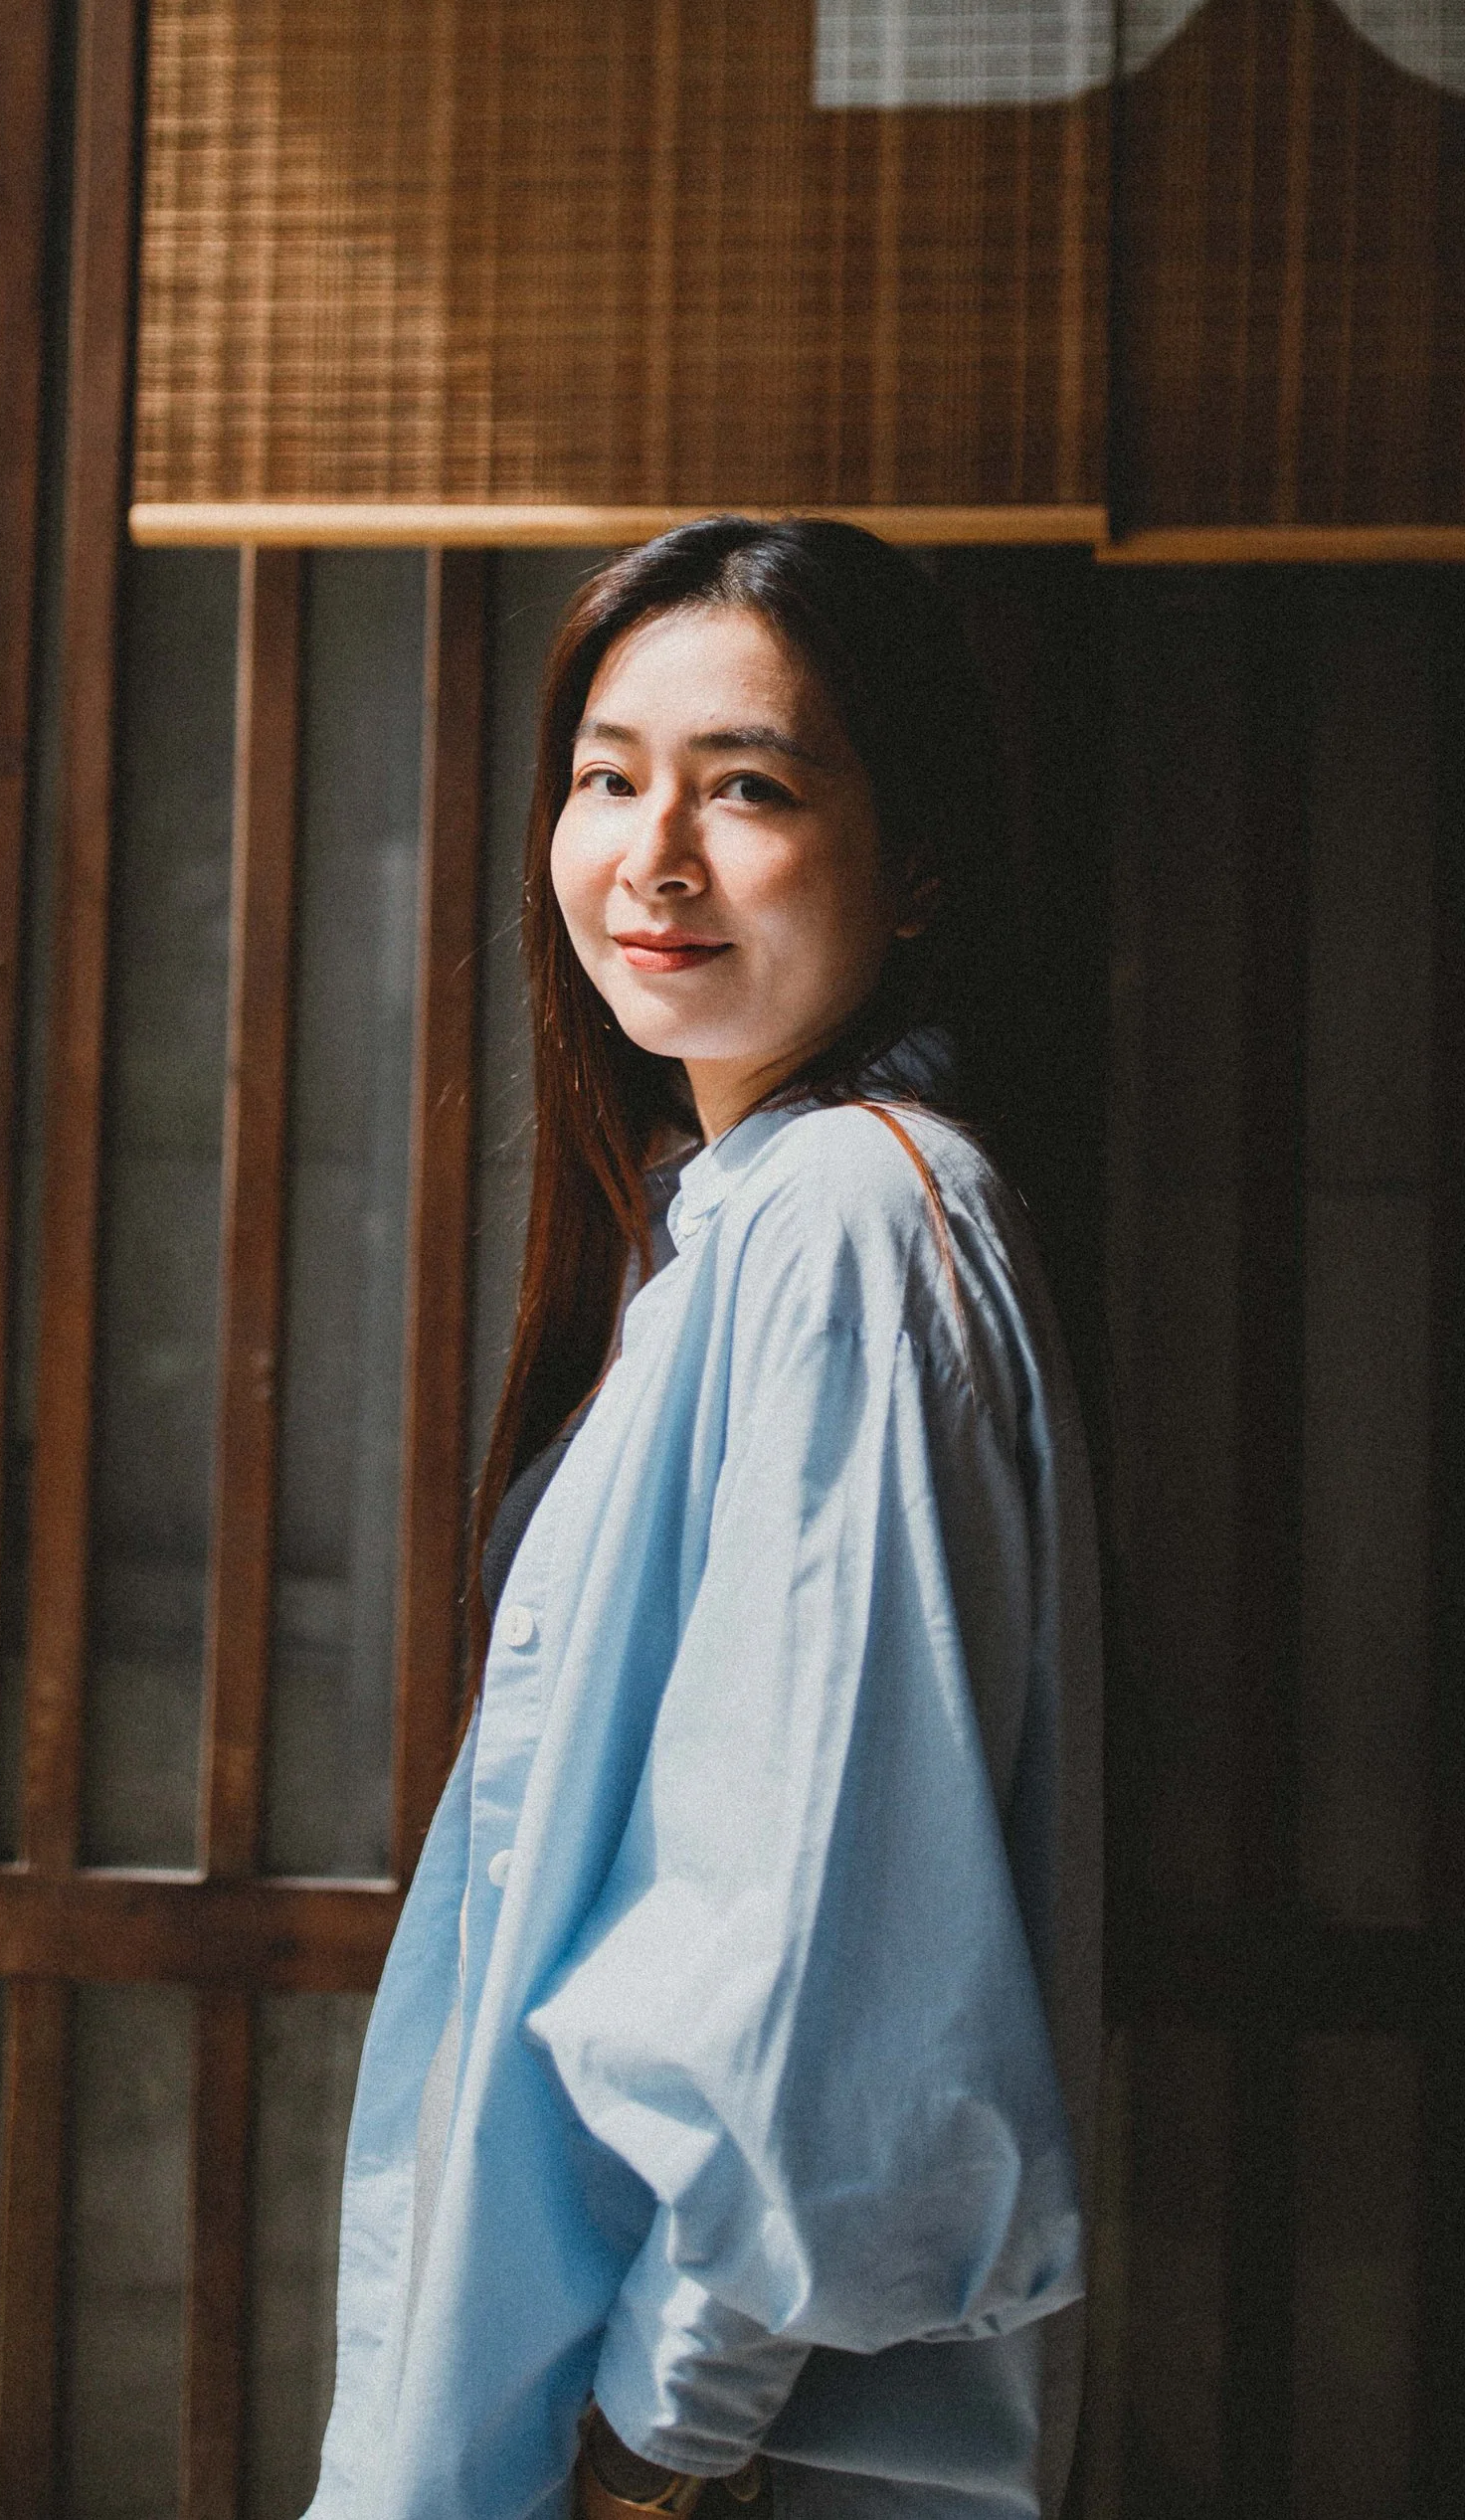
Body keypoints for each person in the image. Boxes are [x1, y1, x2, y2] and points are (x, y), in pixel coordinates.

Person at [306, 519, 1103, 2520]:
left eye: (744, 786)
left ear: (910, 863)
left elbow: (818, 1929)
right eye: (604, 776)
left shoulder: (839, 1227)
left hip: (713, 2450)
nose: (650, 855)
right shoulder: (738, 1222)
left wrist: (658, 2444)